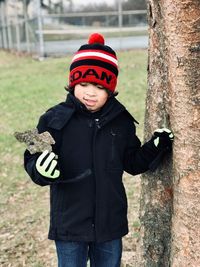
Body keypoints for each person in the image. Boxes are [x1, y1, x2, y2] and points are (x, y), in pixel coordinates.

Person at [24, 33, 174, 267]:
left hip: (109, 224)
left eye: (99, 87)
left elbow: (132, 162)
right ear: (73, 82)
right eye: (83, 84)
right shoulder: (53, 119)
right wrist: (38, 169)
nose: (90, 92)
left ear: (111, 89)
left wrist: (156, 147)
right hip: (70, 224)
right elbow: (32, 155)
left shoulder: (121, 121)